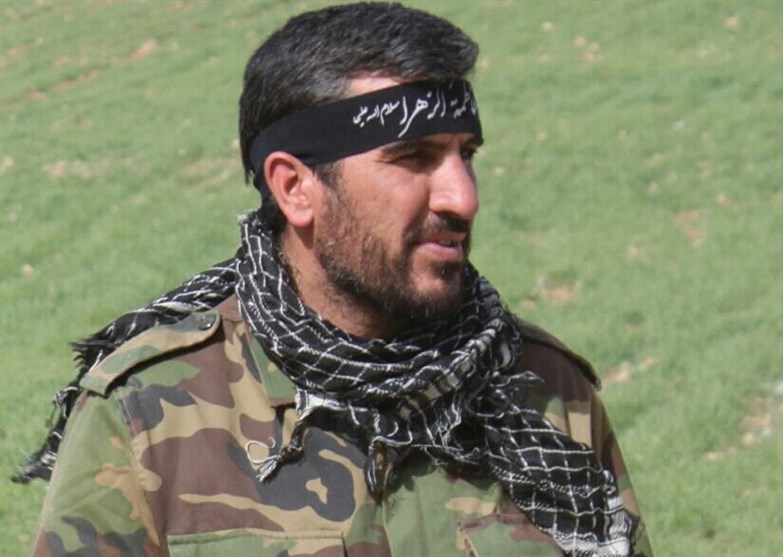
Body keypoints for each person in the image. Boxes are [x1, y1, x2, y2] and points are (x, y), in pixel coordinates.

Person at [22, 3, 652, 556]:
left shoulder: (543, 389)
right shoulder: (146, 415)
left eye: (466, 154)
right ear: (296, 188)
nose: (463, 196)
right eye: (414, 157)